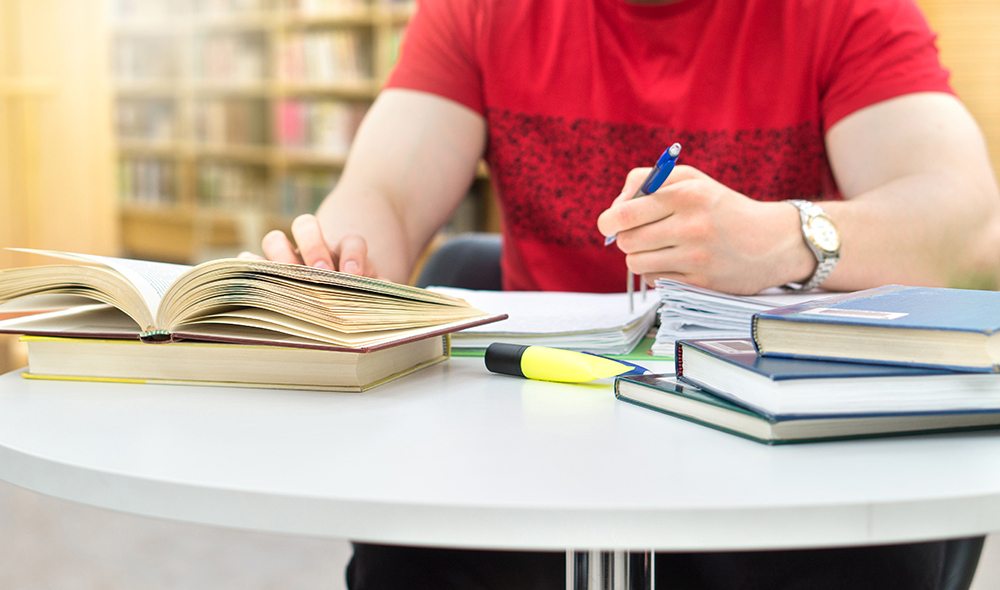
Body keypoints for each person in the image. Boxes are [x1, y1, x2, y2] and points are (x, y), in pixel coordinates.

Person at [243, 0, 1000, 587]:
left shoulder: (841, 12)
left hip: (769, 446)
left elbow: (970, 228)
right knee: (408, 555)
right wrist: (336, 261)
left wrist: (782, 237)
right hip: (535, 432)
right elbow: (384, 194)